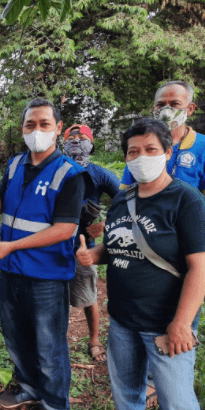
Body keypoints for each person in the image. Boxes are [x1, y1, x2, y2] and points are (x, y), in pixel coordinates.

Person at [76, 118, 205, 410]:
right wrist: (93, 256)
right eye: (133, 151)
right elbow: (120, 245)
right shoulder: (123, 200)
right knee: (126, 396)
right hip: (123, 321)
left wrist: (181, 324)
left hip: (166, 326)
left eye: (150, 149)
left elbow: (201, 267)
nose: (141, 157)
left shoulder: (188, 202)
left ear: (167, 152)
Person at [120, 80, 205, 406]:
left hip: (186, 251)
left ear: (190, 108)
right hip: (146, 249)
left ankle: (170, 383)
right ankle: (146, 376)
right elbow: (127, 195)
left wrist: (203, 258)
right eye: (161, 104)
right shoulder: (143, 146)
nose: (168, 109)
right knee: (146, 310)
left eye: (175, 103)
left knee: (181, 312)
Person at [0, 98, 92, 410]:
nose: (37, 131)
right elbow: (0, 203)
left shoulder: (70, 174)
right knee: (15, 334)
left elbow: (64, 228)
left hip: (46, 273)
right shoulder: (15, 164)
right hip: (11, 268)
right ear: (22, 129)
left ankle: (55, 404)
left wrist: (13, 245)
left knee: (49, 342)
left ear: (58, 128)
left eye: (44, 124)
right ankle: (27, 385)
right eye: (30, 125)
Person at [62, 124, 120, 363]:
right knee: (54, 297)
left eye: (81, 138)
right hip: (51, 245)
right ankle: (58, 338)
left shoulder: (100, 174)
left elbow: (127, 199)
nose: (76, 142)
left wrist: (104, 224)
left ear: (91, 143)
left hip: (84, 247)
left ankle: (94, 340)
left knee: (89, 296)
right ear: (63, 144)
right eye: (71, 138)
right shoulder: (58, 170)